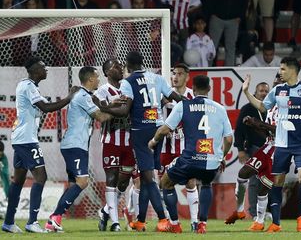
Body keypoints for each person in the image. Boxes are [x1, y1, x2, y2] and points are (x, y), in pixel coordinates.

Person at [242, 57, 301, 232]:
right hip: (281, 144)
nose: (280, 72)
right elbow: (263, 108)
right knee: (277, 182)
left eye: (283, 69)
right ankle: (276, 223)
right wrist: (247, 92)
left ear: (293, 70)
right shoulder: (278, 90)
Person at [97, 51, 182, 232]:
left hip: (139, 133)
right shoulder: (157, 78)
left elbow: (124, 110)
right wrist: (191, 106)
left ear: (127, 65)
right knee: (145, 178)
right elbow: (174, 98)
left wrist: (103, 106)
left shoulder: (128, 82)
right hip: (158, 130)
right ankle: (141, 220)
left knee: (148, 178)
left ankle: (162, 219)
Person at [1, 56, 79, 233]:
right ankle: (32, 222)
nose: (46, 69)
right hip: (27, 141)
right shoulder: (28, 86)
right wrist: (70, 97)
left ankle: (8, 222)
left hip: (22, 139)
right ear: (34, 70)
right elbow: (46, 108)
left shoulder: (29, 86)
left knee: (18, 181)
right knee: (40, 177)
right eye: (43, 67)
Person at [149, 74, 233, 234]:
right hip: (211, 160)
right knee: (206, 183)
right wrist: (222, 156)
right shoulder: (220, 108)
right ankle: (201, 224)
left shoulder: (183, 105)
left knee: (166, 183)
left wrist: (153, 141)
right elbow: (229, 139)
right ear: (209, 89)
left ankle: (174, 224)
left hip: (189, 159)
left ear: (193, 89)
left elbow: (164, 129)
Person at [45, 66, 114, 232]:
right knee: (82, 182)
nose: (99, 80)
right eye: (97, 77)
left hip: (75, 145)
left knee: (74, 185)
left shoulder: (86, 95)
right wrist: (124, 111)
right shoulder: (83, 96)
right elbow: (101, 117)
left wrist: (112, 105)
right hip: (75, 146)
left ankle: (55, 220)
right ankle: (54, 217)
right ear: (90, 79)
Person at [225, 74, 283, 231]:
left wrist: (258, 123)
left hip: (281, 150)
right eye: (275, 82)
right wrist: (254, 125)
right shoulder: (271, 107)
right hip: (268, 146)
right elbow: (268, 133)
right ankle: (241, 211)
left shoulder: (288, 106)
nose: (276, 85)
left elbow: (282, 131)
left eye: (280, 83)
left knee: (264, 187)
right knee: (243, 174)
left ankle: (260, 221)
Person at [94, 59, 140, 232]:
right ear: (106, 72)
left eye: (121, 65)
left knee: (124, 182)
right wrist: (114, 105)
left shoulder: (129, 87)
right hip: (111, 140)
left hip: (130, 141)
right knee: (112, 179)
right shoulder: (101, 91)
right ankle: (116, 223)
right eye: (115, 66)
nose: (120, 68)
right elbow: (98, 114)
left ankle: (105, 211)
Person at [159, 63, 199, 231]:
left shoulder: (192, 97)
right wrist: (161, 127)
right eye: (174, 73)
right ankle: (171, 220)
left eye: (180, 74)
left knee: (190, 182)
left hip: (185, 147)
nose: (176, 77)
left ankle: (194, 221)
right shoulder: (163, 96)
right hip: (165, 147)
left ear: (187, 77)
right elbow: (154, 116)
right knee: (164, 183)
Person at [225, 81, 269, 222]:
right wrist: (240, 150)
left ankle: (264, 211)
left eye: (266, 91)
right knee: (255, 180)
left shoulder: (270, 108)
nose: (263, 93)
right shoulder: (247, 108)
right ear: (255, 93)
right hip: (254, 148)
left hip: (270, 149)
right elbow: (239, 129)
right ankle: (254, 212)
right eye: (261, 91)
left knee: (268, 181)